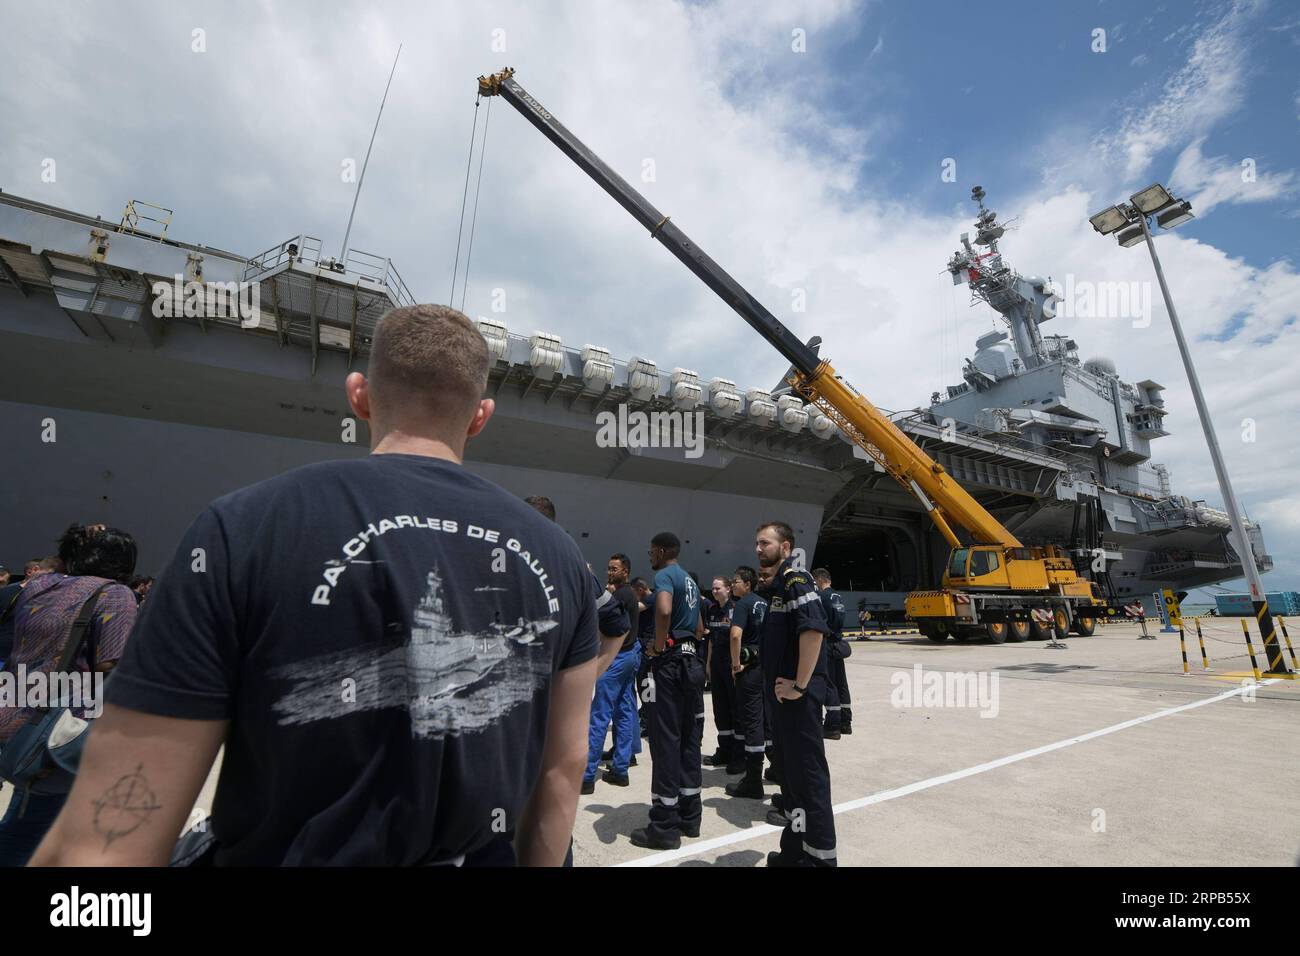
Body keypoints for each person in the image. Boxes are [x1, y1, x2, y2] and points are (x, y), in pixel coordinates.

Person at [29, 304, 600, 867]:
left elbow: (105, 847)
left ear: (358, 395)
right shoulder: (562, 558)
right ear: (481, 416)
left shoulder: (240, 526)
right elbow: (562, 766)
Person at [0, 524, 139, 866]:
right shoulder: (116, 595)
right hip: (60, 725)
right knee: (30, 830)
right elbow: (113, 661)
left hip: (13, 705)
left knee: (26, 812)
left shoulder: (38, 585)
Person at [754, 522, 836, 867]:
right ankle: (795, 852)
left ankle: (819, 860)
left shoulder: (796, 580)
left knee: (808, 778)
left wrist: (799, 686)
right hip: (784, 702)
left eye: (765, 543)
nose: (758, 549)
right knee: (793, 780)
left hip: (798, 700)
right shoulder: (779, 587)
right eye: (756, 543)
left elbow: (814, 631)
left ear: (785, 547)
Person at [630, 532, 703, 850]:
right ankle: (690, 817)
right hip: (692, 661)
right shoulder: (688, 579)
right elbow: (700, 627)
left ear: (660, 551)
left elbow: (661, 611)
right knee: (689, 738)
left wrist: (658, 647)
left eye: (651, 551)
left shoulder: (665, 576)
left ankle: (663, 826)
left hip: (670, 664)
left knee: (664, 741)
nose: (649, 557)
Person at [582, 554, 641, 791]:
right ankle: (620, 768)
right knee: (625, 711)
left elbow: (606, 627)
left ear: (626, 571)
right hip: (631, 655)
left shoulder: (619, 595)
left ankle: (586, 776)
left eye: (614, 569)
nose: (610, 572)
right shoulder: (629, 594)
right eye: (608, 568)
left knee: (599, 715)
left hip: (616, 658)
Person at [723, 566, 768, 799]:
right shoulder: (765, 603)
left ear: (748, 584)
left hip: (748, 671)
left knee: (751, 724)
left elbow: (735, 635)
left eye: (736, 581)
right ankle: (778, 768)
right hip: (765, 668)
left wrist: (735, 665)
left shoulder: (742, 604)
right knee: (767, 720)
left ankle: (753, 780)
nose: (733, 585)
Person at [702, 575, 740, 772]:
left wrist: (736, 665)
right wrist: (708, 665)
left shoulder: (736, 609)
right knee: (720, 709)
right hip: (716, 665)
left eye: (718, 588)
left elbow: (737, 638)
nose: (715, 591)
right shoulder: (712, 610)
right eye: (713, 589)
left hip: (730, 665)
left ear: (728, 589)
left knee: (735, 709)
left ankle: (738, 754)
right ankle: (724, 750)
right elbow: (710, 640)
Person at [812, 568, 850, 738]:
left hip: (826, 644)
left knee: (828, 684)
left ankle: (832, 725)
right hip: (837, 643)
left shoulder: (822, 597)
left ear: (820, 580)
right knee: (841, 684)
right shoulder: (837, 597)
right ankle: (845, 722)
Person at [631, 576, 656, 741]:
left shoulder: (652, 599)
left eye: (634, 593)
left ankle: (649, 721)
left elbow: (634, 608)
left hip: (647, 646)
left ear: (640, 589)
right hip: (643, 643)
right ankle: (647, 717)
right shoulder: (651, 597)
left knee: (646, 684)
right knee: (644, 684)